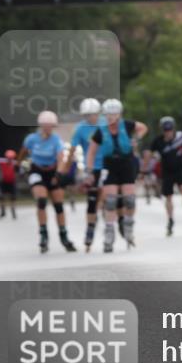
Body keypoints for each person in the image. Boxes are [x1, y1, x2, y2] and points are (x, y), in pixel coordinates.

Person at [85, 99, 148, 252]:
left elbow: (143, 128)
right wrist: (89, 170)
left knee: (129, 199)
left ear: (119, 114)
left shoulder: (127, 125)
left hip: (127, 163)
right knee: (110, 201)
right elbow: (92, 152)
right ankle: (109, 233)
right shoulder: (101, 131)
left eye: (113, 114)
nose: (110, 117)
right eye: (108, 114)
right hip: (110, 165)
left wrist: (136, 139)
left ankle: (128, 226)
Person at [18, 111, 77, 253]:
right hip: (37, 171)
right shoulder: (31, 139)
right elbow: (23, 153)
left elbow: (61, 157)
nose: (48, 128)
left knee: (58, 205)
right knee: (42, 201)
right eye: (45, 125)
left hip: (52, 172)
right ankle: (43, 235)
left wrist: (59, 173)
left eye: (51, 126)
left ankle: (64, 236)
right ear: (41, 125)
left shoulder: (56, 140)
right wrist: (20, 165)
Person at [144, 116, 182, 236]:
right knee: (168, 197)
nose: (168, 132)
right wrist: (144, 170)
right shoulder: (157, 141)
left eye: (169, 130)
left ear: (173, 129)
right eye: (165, 130)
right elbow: (149, 155)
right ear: (162, 130)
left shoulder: (181, 138)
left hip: (180, 170)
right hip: (167, 172)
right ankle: (170, 220)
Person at [68, 98, 105, 251]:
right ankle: (90, 228)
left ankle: (111, 220)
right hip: (92, 167)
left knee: (105, 196)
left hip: (109, 165)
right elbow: (72, 149)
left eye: (94, 114)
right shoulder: (80, 128)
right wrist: (67, 166)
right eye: (88, 115)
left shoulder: (105, 124)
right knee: (92, 201)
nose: (92, 117)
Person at [0, 149, 18, 220]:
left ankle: (13, 210)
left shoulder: (14, 163)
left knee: (12, 197)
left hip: (12, 182)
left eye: (11, 158)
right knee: (1, 197)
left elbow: (19, 168)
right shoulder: (2, 162)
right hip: (3, 181)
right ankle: (2, 210)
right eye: (8, 158)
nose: (10, 159)